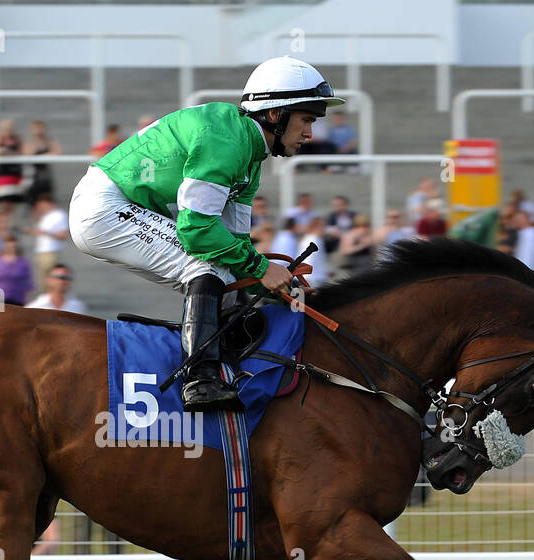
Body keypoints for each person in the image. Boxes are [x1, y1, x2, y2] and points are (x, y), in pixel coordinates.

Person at [72, 56, 341, 411]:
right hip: (104, 207)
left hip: (113, 207)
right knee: (206, 268)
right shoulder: (226, 140)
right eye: (306, 120)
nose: (310, 133)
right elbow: (197, 231)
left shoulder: (250, 155)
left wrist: (279, 287)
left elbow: (234, 242)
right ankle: (199, 379)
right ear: (275, 115)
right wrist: (263, 269)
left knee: (225, 274)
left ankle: (230, 365)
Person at [24, 193, 70, 278]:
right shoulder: (46, 217)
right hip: (42, 252)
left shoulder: (59, 215)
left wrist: (45, 233)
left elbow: (64, 235)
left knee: (51, 279)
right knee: (43, 280)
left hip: (51, 252)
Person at [0, 233, 33, 306]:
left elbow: (27, 282)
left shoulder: (23, 262)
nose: (10, 248)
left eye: (12, 245)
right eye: (8, 245)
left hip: (18, 297)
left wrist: (28, 300)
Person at [0, 119, 26, 210]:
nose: (8, 131)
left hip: (15, 174)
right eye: (5, 129)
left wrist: (5, 152)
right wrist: (5, 151)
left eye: (9, 129)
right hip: (2, 174)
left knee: (12, 202)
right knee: (2, 202)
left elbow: (23, 152)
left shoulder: (17, 139)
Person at [22, 120, 62, 204]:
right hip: (33, 174)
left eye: (40, 128)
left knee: (46, 199)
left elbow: (57, 152)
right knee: (34, 201)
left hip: (45, 175)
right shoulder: (30, 143)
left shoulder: (49, 141)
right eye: (36, 129)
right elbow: (27, 154)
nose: (39, 131)